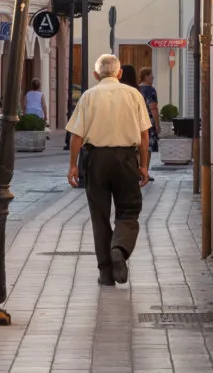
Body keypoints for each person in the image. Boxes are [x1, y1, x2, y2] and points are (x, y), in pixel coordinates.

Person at [66, 53, 152, 287]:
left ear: (96, 75)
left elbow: (76, 136)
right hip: (126, 159)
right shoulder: (133, 95)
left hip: (96, 160)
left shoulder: (88, 96)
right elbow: (144, 135)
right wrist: (144, 165)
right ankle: (119, 248)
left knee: (99, 215)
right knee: (129, 210)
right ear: (120, 73)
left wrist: (73, 165)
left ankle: (105, 273)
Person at [137, 68, 160, 173]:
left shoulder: (135, 89)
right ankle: (144, 171)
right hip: (147, 123)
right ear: (146, 76)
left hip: (136, 121)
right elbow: (153, 108)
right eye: (151, 75)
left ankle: (137, 170)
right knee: (147, 147)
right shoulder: (150, 90)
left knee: (137, 148)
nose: (152, 78)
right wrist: (157, 125)